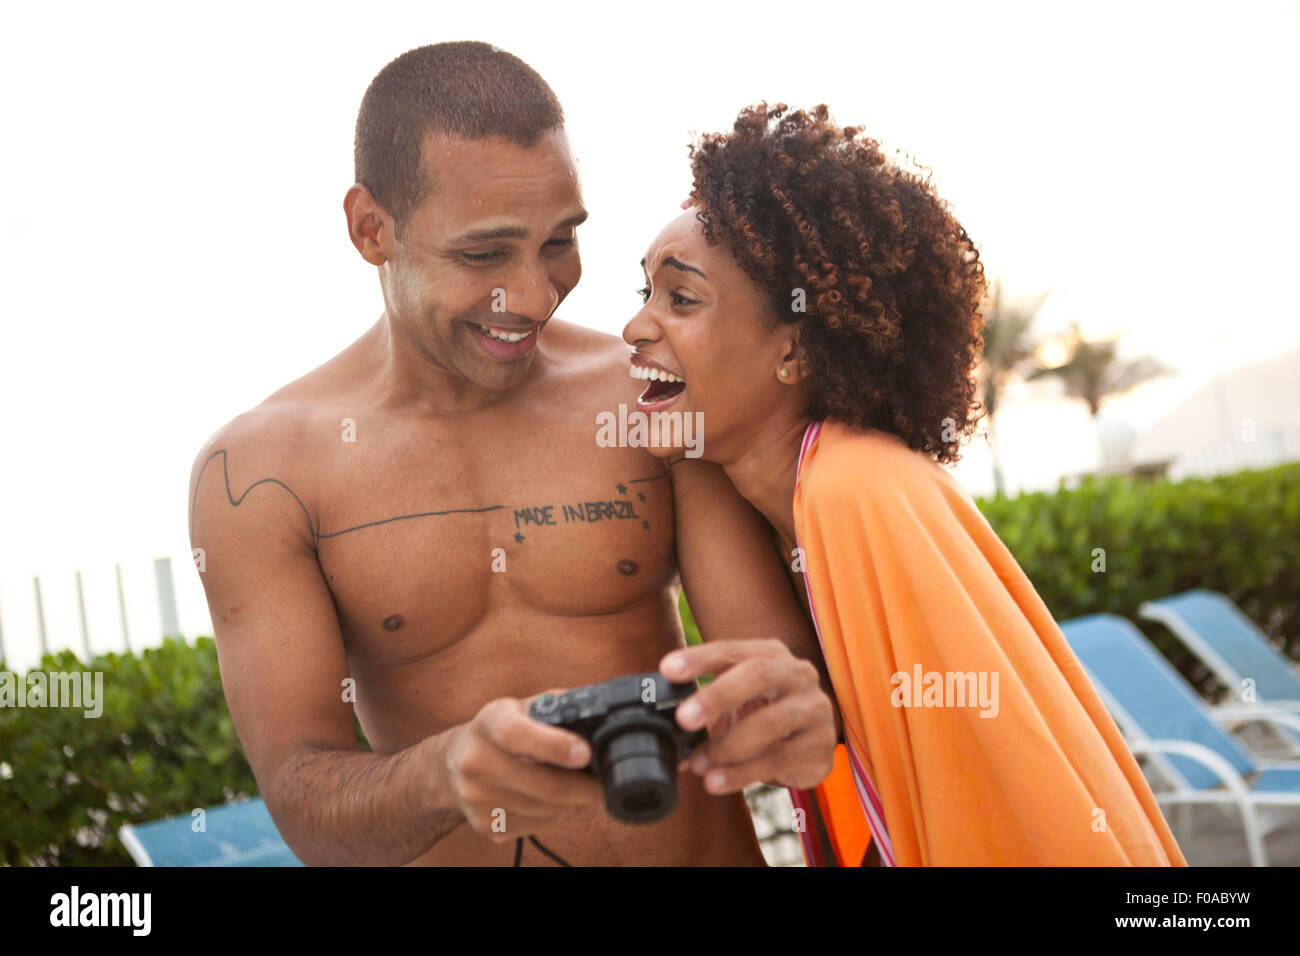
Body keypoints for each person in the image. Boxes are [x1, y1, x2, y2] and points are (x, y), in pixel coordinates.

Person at [188, 45, 837, 867]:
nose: (532, 297)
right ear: (370, 228)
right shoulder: (260, 477)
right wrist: (444, 773)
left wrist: (796, 714)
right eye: (484, 254)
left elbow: (780, 675)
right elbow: (306, 804)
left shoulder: (648, 396)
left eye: (560, 241)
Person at [626, 103, 1187, 866]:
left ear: (794, 349)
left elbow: (993, 779)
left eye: (680, 298)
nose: (635, 328)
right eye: (644, 294)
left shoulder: (855, 490)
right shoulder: (783, 497)